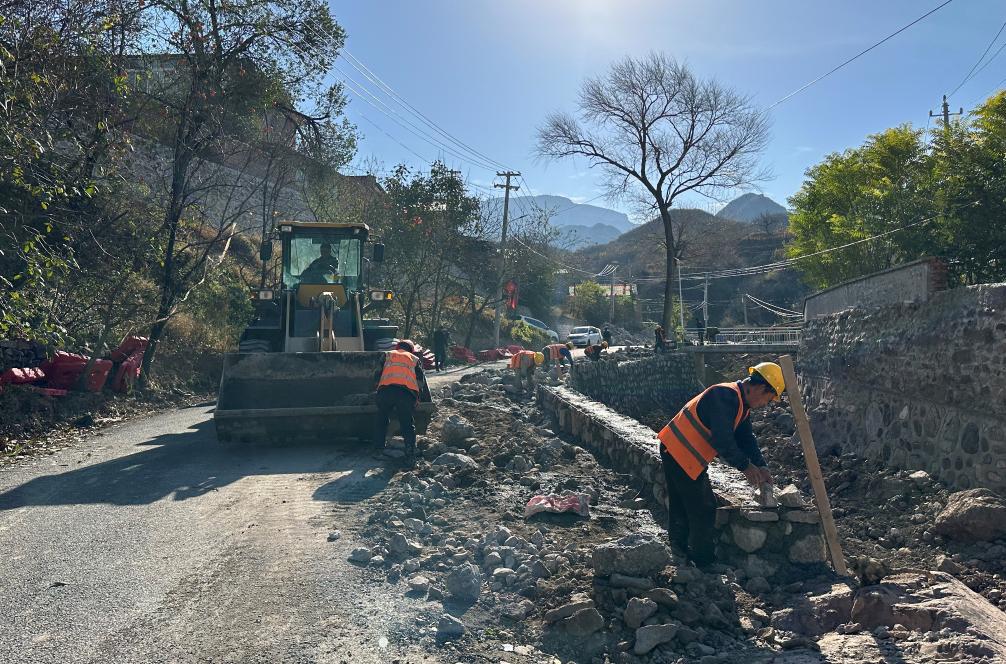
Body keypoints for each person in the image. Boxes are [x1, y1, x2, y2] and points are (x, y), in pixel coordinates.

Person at [657, 362, 785, 567]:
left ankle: (679, 549)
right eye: (768, 399)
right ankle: (703, 562)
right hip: (680, 450)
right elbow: (723, 441)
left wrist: (761, 466)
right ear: (761, 388)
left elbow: (746, 439)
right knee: (704, 507)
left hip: (678, 449)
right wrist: (745, 467)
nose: (765, 404)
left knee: (682, 502)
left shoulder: (739, 403)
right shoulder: (724, 397)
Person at [373, 340, 431, 468]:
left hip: (386, 392)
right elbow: (420, 382)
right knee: (407, 423)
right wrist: (417, 398)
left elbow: (377, 375)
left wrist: (377, 391)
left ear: (397, 347)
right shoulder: (414, 359)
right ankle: (410, 451)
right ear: (411, 350)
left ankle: (378, 449)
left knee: (381, 420)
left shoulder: (387, 355)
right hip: (406, 394)